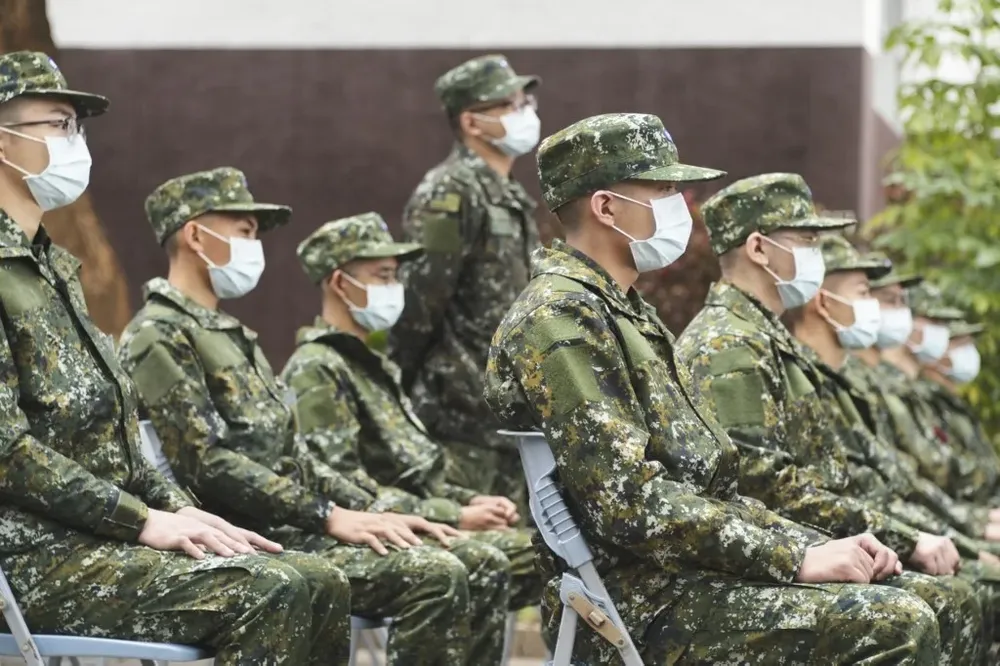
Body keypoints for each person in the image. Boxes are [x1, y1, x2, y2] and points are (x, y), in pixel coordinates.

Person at [485, 114, 941, 665]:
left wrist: (808, 542)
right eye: (663, 190)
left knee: (911, 600)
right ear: (605, 208)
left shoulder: (622, 310)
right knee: (895, 622)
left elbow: (711, 486)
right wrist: (792, 556)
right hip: (638, 598)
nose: (681, 205)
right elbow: (628, 500)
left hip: (685, 578)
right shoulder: (560, 316)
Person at [0, 51, 351, 665]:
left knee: (321, 580)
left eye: (77, 127)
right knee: (274, 591)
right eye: (56, 124)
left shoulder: (52, 268)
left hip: (96, 539)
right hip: (32, 557)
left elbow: (122, 441)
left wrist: (183, 511)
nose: (74, 141)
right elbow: (7, 451)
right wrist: (141, 521)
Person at [117, 168, 511, 665]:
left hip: (292, 524)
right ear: (196, 235)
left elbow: (294, 456)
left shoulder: (230, 333)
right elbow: (206, 465)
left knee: (468, 561)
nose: (254, 244)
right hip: (256, 532)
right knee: (441, 573)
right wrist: (326, 515)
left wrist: (367, 509)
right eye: (244, 230)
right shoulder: (159, 336)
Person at [674, 174, 987, 664]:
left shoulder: (766, 341)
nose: (816, 257)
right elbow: (762, 483)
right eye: (807, 242)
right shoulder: (728, 345)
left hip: (804, 541)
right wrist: (897, 539)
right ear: (758, 248)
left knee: (954, 597)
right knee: (934, 606)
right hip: (760, 557)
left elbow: (846, 477)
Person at [281, 212, 542, 613]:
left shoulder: (372, 365)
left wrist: (471, 500)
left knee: (542, 554)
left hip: (411, 516)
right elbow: (340, 483)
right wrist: (454, 514)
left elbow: (413, 472)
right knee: (507, 561)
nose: (395, 287)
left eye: (395, 276)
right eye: (382, 275)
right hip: (368, 529)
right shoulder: (316, 368)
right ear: (338, 283)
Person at [390, 54, 541, 513]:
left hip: (507, 414)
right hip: (460, 419)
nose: (524, 112)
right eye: (508, 104)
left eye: (525, 100)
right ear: (472, 121)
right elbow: (416, 307)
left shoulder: (509, 193)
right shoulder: (450, 192)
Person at [880, 282, 1000, 505]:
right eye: (934, 322)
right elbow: (934, 469)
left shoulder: (917, 392)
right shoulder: (888, 387)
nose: (942, 334)